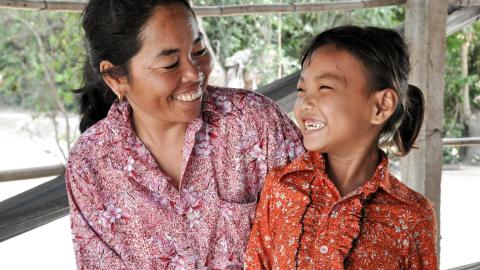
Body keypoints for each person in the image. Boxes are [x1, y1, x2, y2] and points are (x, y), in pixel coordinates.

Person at [65, 0, 303, 269]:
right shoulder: (91, 164)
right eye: (169, 64)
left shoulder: (254, 123)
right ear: (116, 78)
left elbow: (315, 234)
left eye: (199, 50)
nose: (194, 72)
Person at [245, 26, 437, 269]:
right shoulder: (281, 187)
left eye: (325, 88)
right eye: (302, 90)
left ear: (381, 106)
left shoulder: (412, 215)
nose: (304, 103)